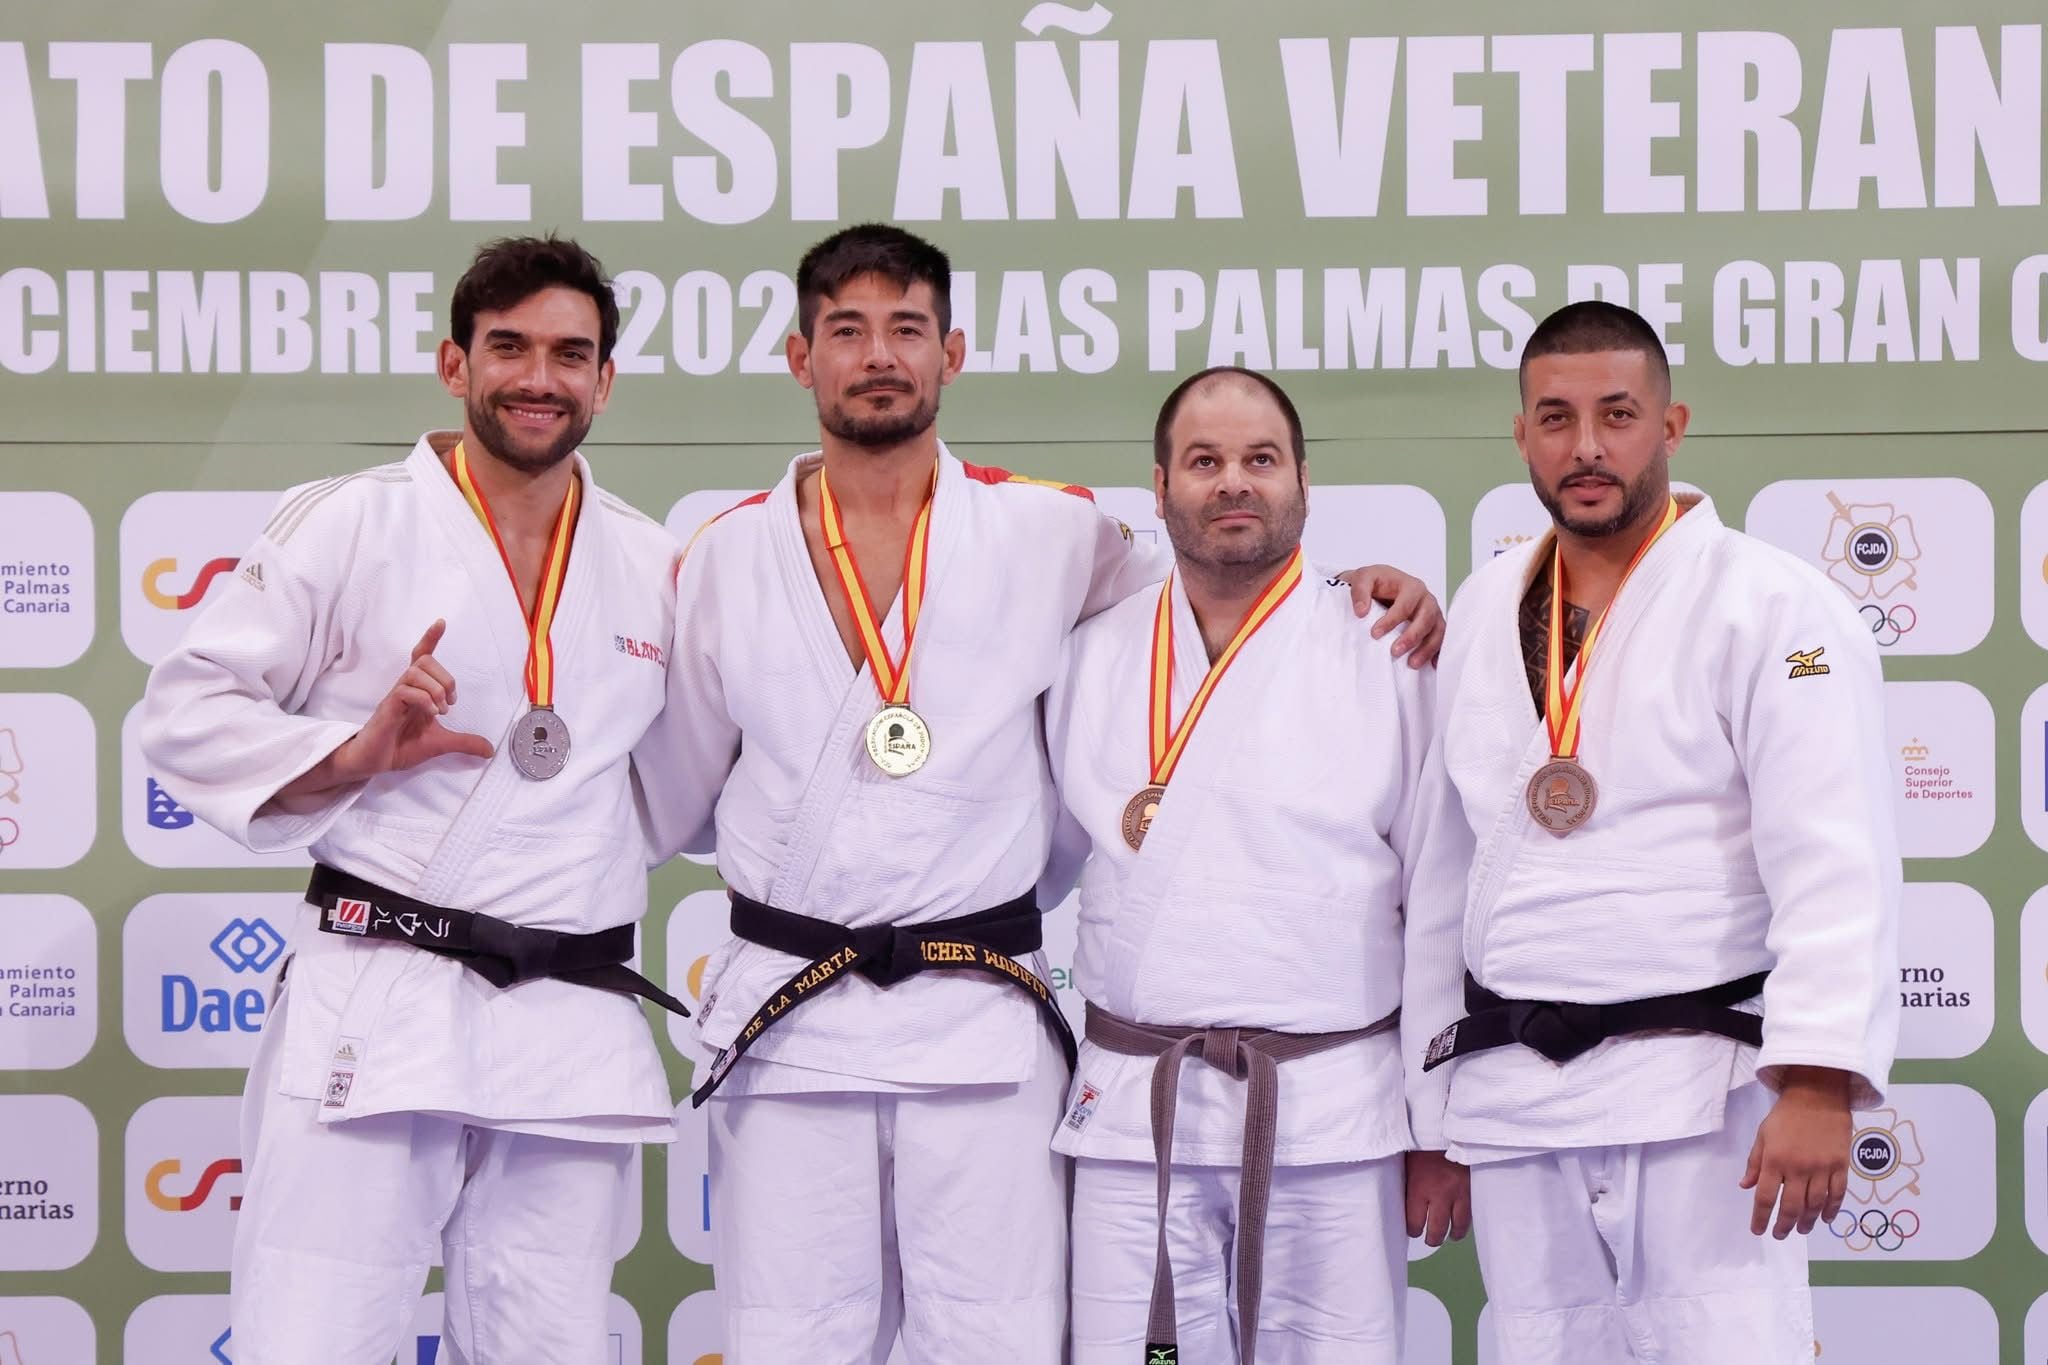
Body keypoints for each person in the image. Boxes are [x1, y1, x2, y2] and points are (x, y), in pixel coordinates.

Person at [633, 223, 1443, 1364]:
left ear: (950, 353)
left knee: (997, 1340)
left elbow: (1220, 600)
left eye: (905, 329)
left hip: (976, 1023)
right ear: (797, 356)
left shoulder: (1050, 532)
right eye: (847, 331)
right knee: (785, 1338)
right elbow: (667, 800)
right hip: (791, 1016)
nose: (878, 356)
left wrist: (1357, 588)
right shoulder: (723, 556)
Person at [139, 236, 686, 1365]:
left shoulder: (652, 561)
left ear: (605, 379)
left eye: (570, 354)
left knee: (554, 1346)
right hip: (383, 991)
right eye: (510, 348)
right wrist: (357, 751)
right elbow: (184, 715)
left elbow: (690, 780)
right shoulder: (348, 520)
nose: (540, 377)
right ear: (454, 364)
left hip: (568, 1010)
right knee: (315, 1338)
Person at [1419, 300, 1900, 1363]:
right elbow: (1442, 877)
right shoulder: (1488, 602)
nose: (1584, 446)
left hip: (1701, 1093)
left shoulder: (1773, 607)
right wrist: (1432, 1108)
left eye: (1616, 413)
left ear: (1670, 425)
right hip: (1514, 1097)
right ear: (1519, 436)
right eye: (1553, 417)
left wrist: (1817, 1076)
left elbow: (1834, 854)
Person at [1039, 367, 1472, 1365]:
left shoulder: (1388, 651)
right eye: (1204, 461)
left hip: (1332, 1112)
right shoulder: (1087, 656)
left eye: (1258, 460)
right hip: (1133, 1107)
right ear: (1158, 486)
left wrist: (1434, 1125)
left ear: (1303, 483)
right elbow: (1027, 869)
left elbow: (1438, 906)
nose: (1232, 482)